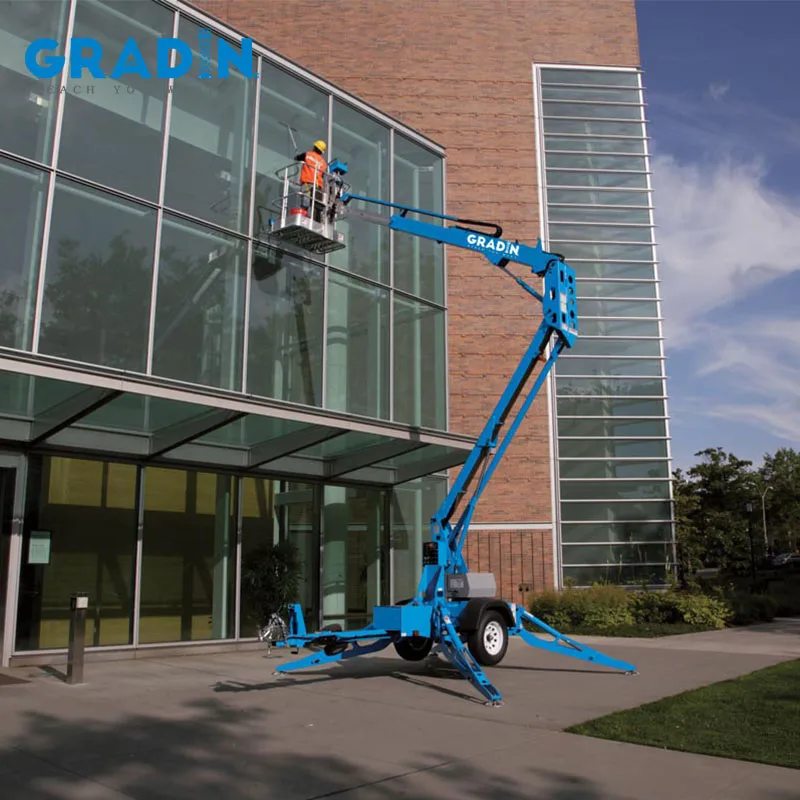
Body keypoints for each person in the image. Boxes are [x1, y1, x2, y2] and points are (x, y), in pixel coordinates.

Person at [295, 139, 328, 222]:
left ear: (314, 147)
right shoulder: (323, 163)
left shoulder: (308, 155)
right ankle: (315, 220)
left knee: (306, 202)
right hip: (318, 186)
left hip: (307, 182)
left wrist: (298, 156)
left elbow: (297, 158)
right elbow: (323, 175)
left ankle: (304, 220)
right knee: (315, 205)